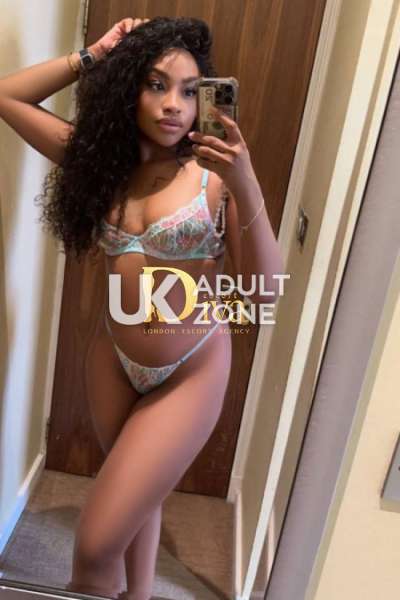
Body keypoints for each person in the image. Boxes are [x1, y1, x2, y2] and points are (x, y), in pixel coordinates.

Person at [0, 15, 283, 600]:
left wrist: (246, 179)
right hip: (112, 358)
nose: (173, 104)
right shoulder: (102, 164)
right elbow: (7, 97)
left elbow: (264, 292)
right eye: (156, 85)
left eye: (189, 90)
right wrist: (92, 54)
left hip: (189, 370)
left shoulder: (215, 179)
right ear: (128, 88)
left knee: (95, 545)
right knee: (135, 498)